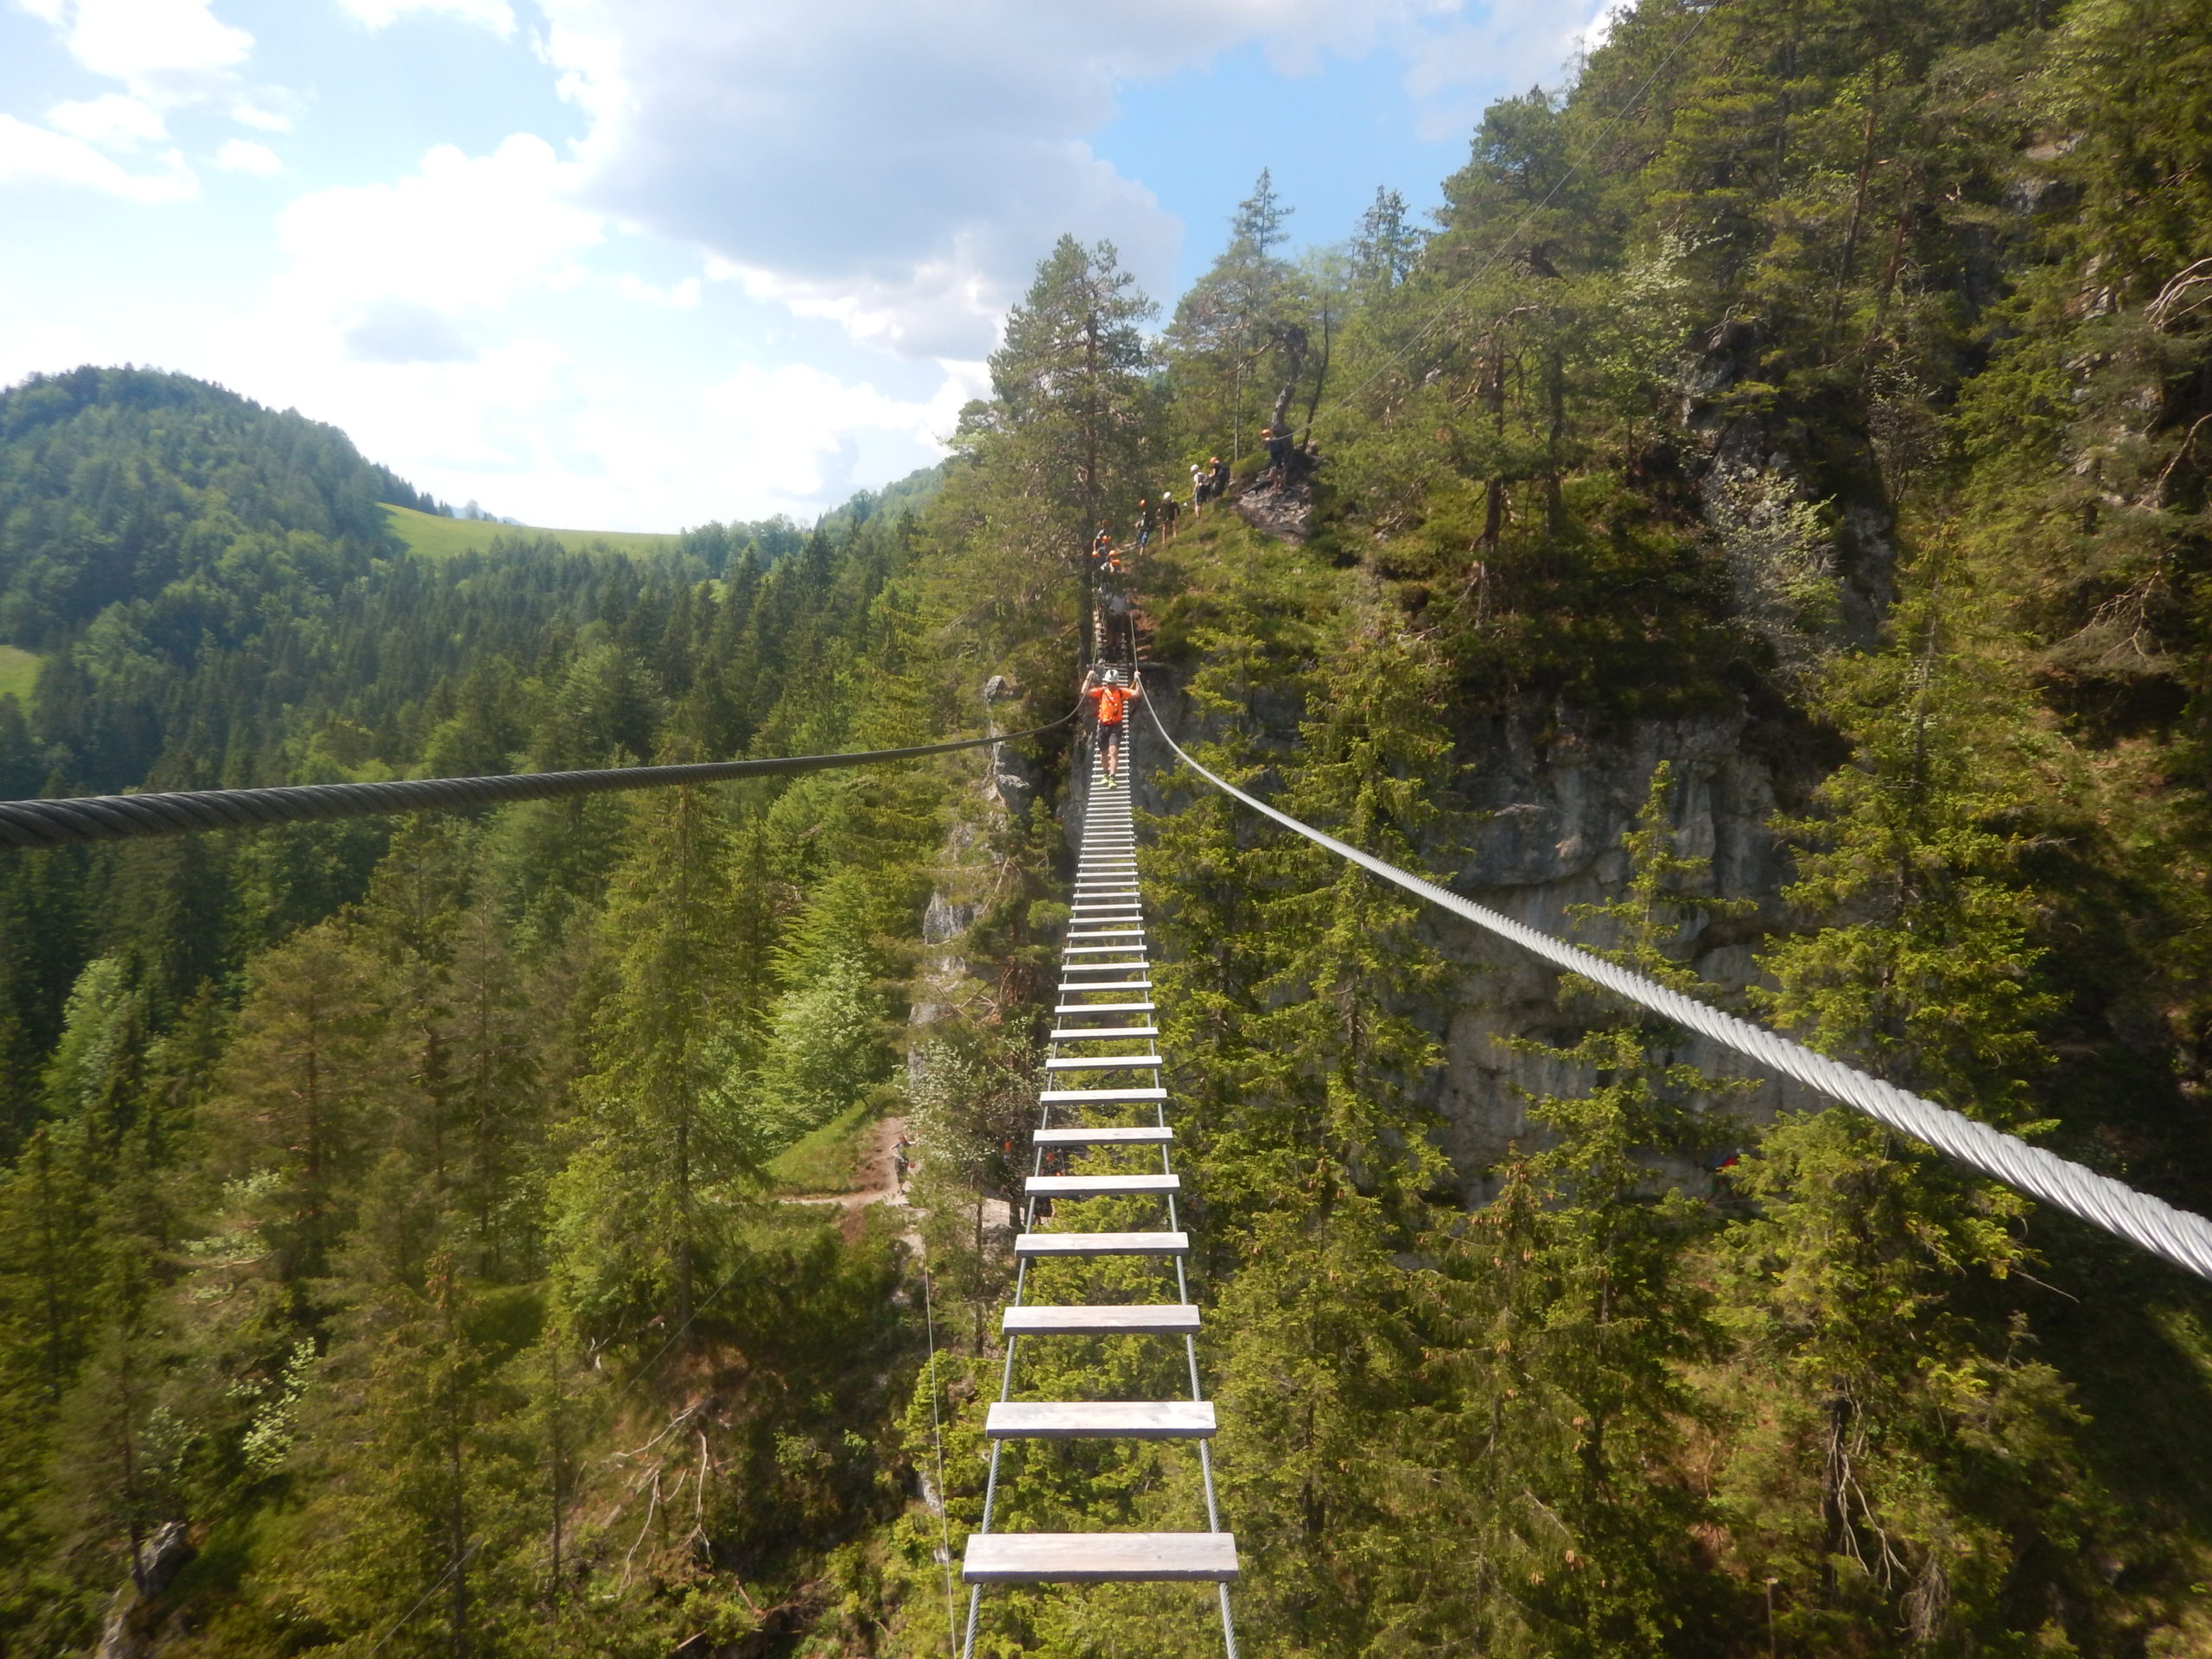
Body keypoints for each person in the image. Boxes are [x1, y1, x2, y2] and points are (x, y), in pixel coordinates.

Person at [1081, 665, 1142, 787]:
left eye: (1113, 683)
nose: (1111, 685)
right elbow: (1084, 691)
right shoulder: (1102, 691)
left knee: (1113, 751)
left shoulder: (1121, 692)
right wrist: (1088, 677)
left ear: (1117, 682)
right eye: (1109, 683)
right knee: (1103, 753)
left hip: (1116, 726)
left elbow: (1137, 693)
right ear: (1106, 683)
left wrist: (1138, 680)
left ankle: (1112, 777)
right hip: (1103, 725)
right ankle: (1105, 774)